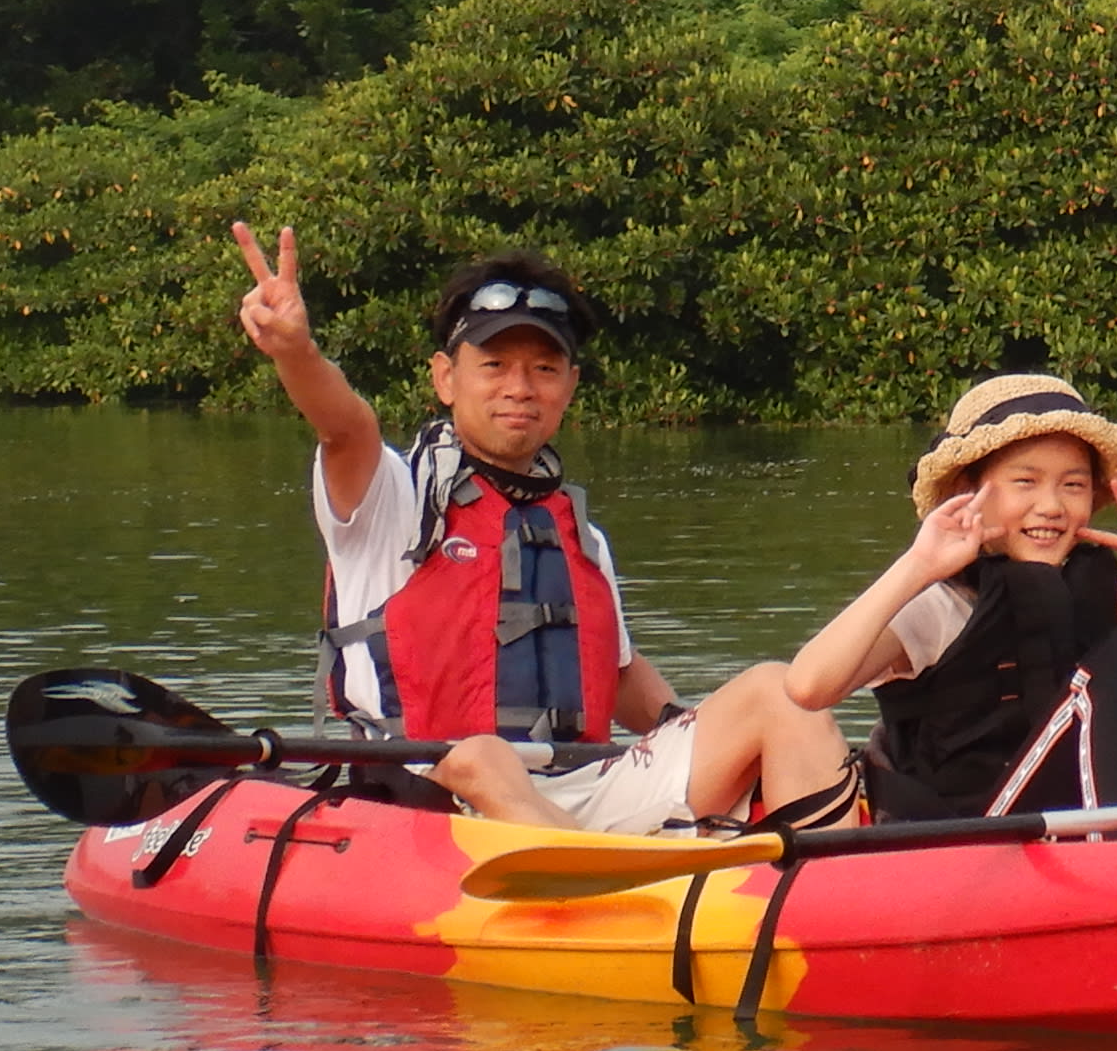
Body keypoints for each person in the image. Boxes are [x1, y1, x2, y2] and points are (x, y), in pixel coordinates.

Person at [230, 225, 849, 834]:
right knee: (482, 755)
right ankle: (600, 885)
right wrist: (296, 352)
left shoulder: (579, 533)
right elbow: (345, 428)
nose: (519, 389)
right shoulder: (390, 496)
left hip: (589, 785)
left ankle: (831, 904)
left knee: (779, 693)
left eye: (545, 369)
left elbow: (619, 673)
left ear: (570, 385)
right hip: (439, 795)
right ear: (445, 377)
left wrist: (705, 735)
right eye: (494, 364)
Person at [790, 372, 1117, 833]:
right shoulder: (935, 607)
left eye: (1072, 485)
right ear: (969, 493)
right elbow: (809, 687)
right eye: (1024, 482)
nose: (1050, 506)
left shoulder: (1085, 589)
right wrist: (917, 565)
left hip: (1071, 806)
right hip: (983, 827)